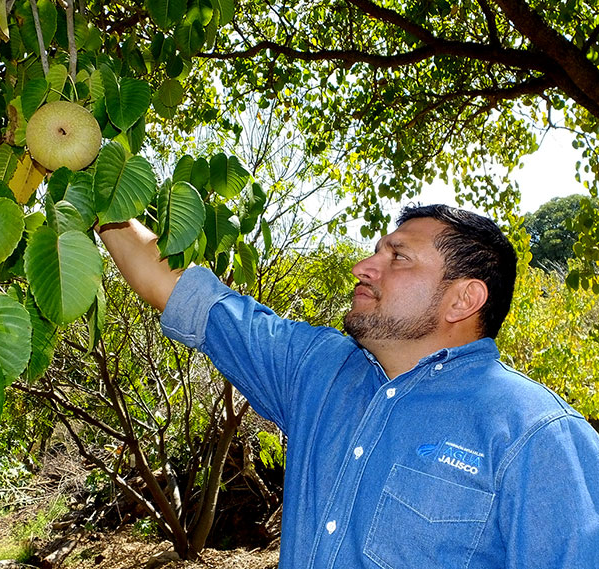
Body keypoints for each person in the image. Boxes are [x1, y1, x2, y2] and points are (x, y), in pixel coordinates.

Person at [98, 204, 599, 568]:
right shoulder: (318, 370)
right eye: (375, 250)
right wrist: (92, 184)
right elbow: (182, 292)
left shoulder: (538, 436)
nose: (364, 266)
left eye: (398, 257)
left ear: (463, 299)